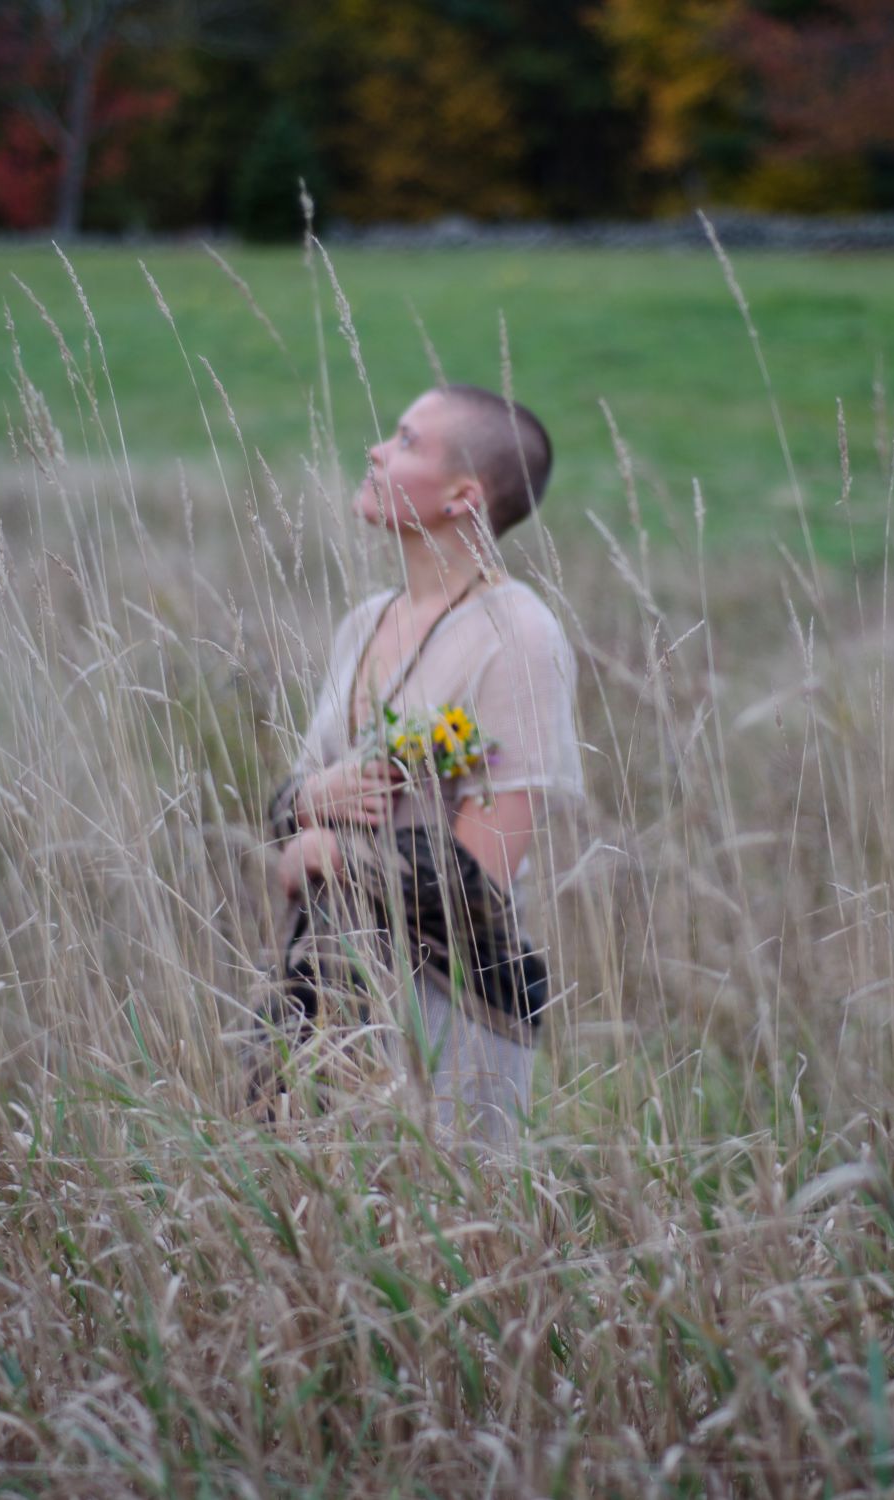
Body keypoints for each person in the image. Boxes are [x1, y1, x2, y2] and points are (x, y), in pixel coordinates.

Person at [266, 383, 583, 1146]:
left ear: (463, 496)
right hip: (323, 982)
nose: (376, 451)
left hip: (450, 1007)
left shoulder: (518, 637)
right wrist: (311, 798)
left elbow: (484, 873)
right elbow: (288, 807)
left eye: (407, 441)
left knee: (438, 1212)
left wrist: (331, 850)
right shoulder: (364, 622)